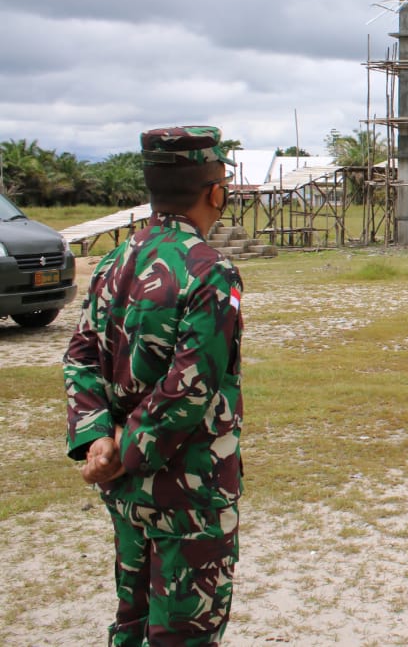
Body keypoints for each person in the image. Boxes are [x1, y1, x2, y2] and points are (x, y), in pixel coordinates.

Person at [64, 126, 245, 646]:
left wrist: (99, 438)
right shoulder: (208, 270)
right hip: (189, 492)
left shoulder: (111, 263)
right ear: (217, 191)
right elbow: (192, 384)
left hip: (124, 492)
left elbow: (79, 356)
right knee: (183, 631)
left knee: (133, 621)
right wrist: (127, 447)